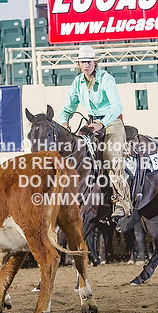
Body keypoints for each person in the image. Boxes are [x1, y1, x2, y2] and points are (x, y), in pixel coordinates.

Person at [59, 45, 132, 219]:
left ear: (95, 63)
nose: (86, 65)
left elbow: (116, 107)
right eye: (83, 62)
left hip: (112, 121)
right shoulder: (77, 83)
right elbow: (67, 109)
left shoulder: (106, 79)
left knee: (111, 156)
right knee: (77, 153)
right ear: (79, 64)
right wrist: (64, 122)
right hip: (92, 123)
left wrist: (102, 123)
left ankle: (122, 202)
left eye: (89, 62)